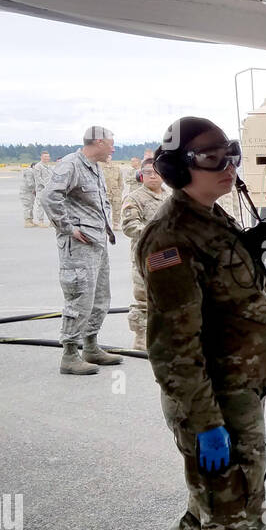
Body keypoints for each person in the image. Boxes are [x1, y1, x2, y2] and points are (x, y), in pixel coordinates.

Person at [125, 117, 266, 530]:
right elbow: (174, 350)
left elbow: (248, 307)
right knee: (234, 520)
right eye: (211, 158)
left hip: (243, 391)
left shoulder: (214, 218)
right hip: (212, 404)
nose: (228, 166)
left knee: (212, 511)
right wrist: (206, 425)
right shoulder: (170, 240)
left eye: (231, 154)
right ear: (180, 169)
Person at [40, 126, 123, 375]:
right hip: (79, 246)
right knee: (79, 297)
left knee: (99, 297)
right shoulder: (71, 165)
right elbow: (49, 197)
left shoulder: (94, 166)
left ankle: (90, 346)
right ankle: (69, 355)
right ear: (98, 142)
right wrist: (68, 228)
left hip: (97, 241)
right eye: (111, 142)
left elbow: (99, 201)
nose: (113, 147)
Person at [119, 157, 169, 349]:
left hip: (169, 256)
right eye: (148, 172)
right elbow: (129, 227)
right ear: (141, 175)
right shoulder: (134, 198)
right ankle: (141, 338)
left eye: (156, 172)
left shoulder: (169, 197)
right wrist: (154, 232)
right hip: (146, 256)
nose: (152, 176)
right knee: (144, 300)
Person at [20, 152, 50, 227]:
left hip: (35, 191)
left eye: (47, 157)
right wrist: (41, 187)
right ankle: (28, 221)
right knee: (28, 206)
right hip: (28, 192)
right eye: (45, 157)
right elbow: (33, 182)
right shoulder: (32, 170)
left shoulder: (47, 167)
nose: (46, 158)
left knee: (31, 205)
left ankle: (30, 221)